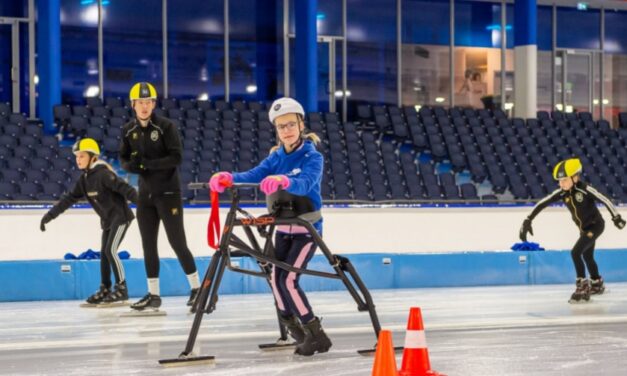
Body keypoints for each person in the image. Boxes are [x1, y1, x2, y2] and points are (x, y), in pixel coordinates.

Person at [209, 97, 331, 356]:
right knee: (276, 280)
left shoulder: (312, 156)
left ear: (300, 124)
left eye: (290, 124)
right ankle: (295, 330)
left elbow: (305, 182)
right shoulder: (276, 157)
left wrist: (283, 180)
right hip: (283, 228)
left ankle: (316, 333)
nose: (286, 130)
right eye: (281, 127)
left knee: (287, 280)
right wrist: (229, 178)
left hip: (306, 230)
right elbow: (254, 174)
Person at [119, 82, 200, 311]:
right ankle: (153, 295)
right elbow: (123, 158)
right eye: (140, 102)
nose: (145, 106)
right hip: (145, 196)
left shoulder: (166, 127)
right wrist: (131, 167)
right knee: (148, 245)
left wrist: (147, 164)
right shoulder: (128, 130)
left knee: (177, 243)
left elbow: (176, 157)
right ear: (133, 105)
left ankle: (197, 289)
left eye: (149, 102)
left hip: (169, 193)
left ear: (154, 104)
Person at [40, 138, 137, 305]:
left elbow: (125, 188)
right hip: (107, 220)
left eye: (82, 156)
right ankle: (105, 288)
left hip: (121, 218)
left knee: (111, 250)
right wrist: (49, 216)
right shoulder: (84, 180)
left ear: (93, 157)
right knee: (105, 254)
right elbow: (69, 199)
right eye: (77, 156)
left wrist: (144, 204)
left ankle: (122, 288)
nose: (78, 159)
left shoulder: (104, 174)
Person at [519, 158, 625, 303]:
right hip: (584, 229)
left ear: (575, 177)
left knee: (575, 252)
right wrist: (528, 219)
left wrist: (616, 217)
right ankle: (596, 283)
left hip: (596, 226)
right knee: (587, 256)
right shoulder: (562, 193)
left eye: (564, 180)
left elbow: (604, 199)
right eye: (559, 181)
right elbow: (543, 203)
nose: (561, 184)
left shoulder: (585, 189)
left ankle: (582, 286)